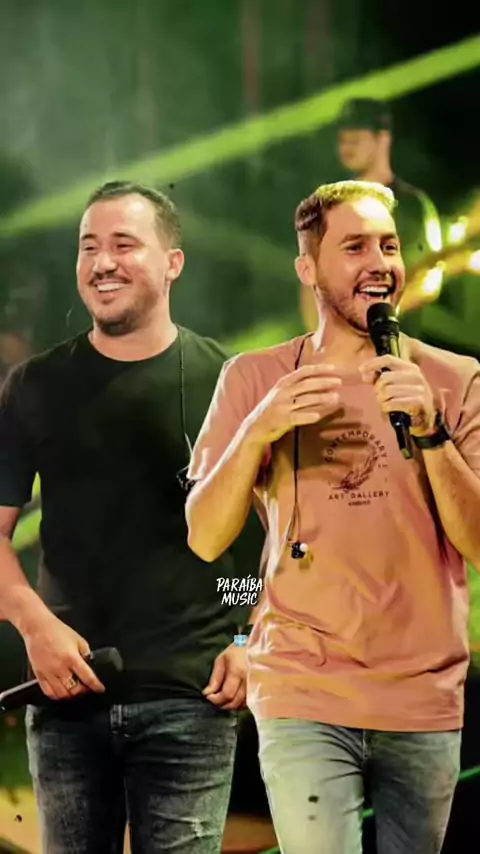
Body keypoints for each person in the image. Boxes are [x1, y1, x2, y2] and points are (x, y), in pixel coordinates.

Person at [185, 179, 480, 854]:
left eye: (389, 246)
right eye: (355, 247)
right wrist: (258, 431)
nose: (380, 262)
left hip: (424, 696)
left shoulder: (455, 379)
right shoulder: (253, 378)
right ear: (308, 268)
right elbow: (204, 537)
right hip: (303, 688)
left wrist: (431, 432)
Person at [0, 180, 263, 854]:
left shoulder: (230, 382)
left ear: (173, 263)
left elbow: (268, 543)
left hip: (193, 704)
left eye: (123, 244)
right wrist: (35, 624)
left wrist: (245, 639)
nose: (102, 263)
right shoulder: (34, 386)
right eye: (89, 247)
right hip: (66, 700)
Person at [302, 98, 442, 332]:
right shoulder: (328, 205)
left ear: (382, 139)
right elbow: (310, 282)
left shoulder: (411, 205)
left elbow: (428, 281)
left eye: (355, 139)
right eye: (342, 140)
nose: (346, 147)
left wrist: (370, 320)